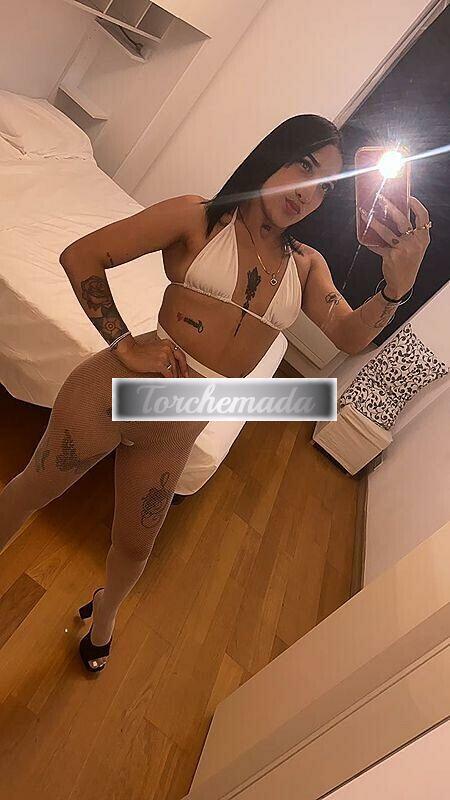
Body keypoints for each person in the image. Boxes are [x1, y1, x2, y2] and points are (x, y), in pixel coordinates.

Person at [0, 115, 431, 673]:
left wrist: (396, 288)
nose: (307, 193)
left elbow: (349, 336)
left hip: (183, 418)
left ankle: (104, 614)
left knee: (135, 545)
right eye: (303, 167)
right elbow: (81, 257)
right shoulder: (198, 217)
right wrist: (125, 344)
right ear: (273, 154)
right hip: (114, 390)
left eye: (324, 185)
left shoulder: (306, 266)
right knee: (33, 487)